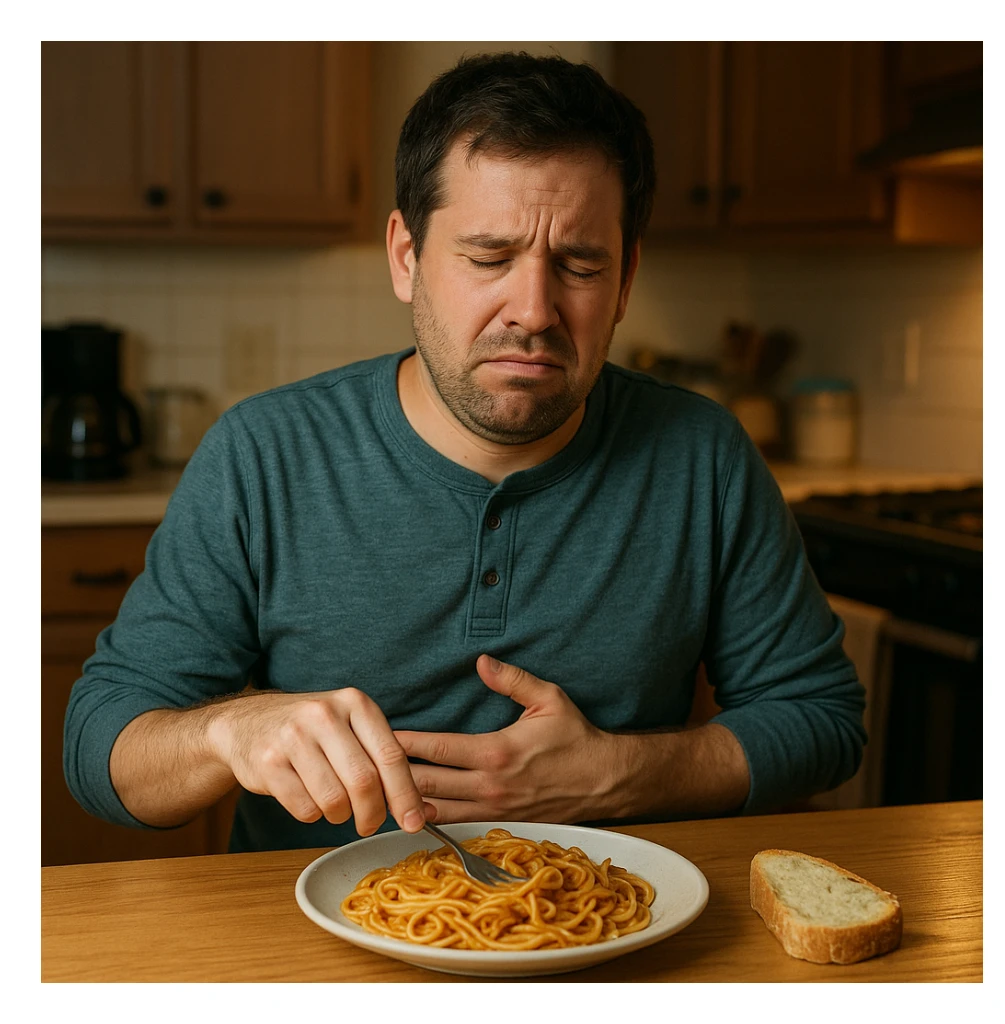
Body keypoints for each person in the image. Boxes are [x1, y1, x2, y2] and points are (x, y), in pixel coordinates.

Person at [64, 51, 866, 854]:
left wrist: (620, 774)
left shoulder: (705, 458)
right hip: (308, 956)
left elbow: (822, 720)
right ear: (406, 258)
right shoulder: (263, 454)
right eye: (488, 258)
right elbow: (101, 750)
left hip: (611, 940)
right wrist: (226, 733)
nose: (534, 310)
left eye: (581, 265)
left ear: (625, 281)